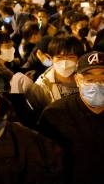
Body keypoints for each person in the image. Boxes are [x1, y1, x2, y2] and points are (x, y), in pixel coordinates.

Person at [38, 51, 104, 184]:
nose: (97, 85)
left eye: (103, 79)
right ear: (78, 80)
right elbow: (45, 166)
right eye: (90, 80)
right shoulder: (55, 114)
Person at [35, 35, 84, 103]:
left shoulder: (87, 77)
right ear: (51, 58)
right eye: (59, 57)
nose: (65, 63)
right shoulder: (42, 86)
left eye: (71, 57)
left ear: (79, 58)